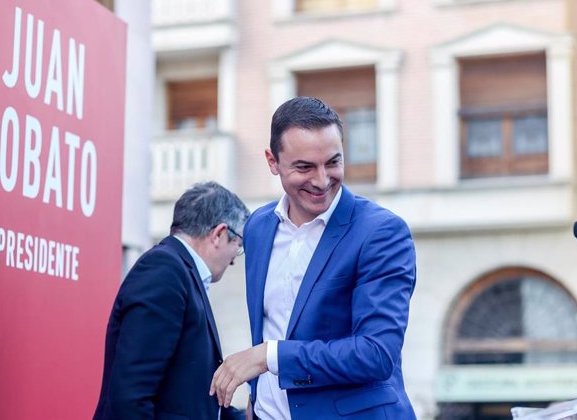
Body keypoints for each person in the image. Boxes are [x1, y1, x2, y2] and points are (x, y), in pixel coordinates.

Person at [210, 97, 417, 419]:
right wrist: (258, 396)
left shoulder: (381, 232)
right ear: (272, 161)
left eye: (333, 163)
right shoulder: (258, 228)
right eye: (304, 167)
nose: (322, 181)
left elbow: (376, 354)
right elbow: (271, 323)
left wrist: (268, 356)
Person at [93, 181, 249, 420]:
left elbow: (191, 396)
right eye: (238, 246)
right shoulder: (164, 271)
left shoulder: (180, 274)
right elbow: (131, 396)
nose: (234, 260)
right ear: (219, 234)